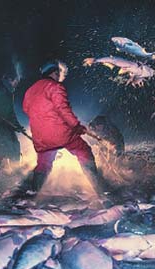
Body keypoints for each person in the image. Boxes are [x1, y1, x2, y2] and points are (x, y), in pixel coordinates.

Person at [21, 60, 107, 194]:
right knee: (84, 151)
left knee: (43, 164)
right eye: (57, 73)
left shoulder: (30, 90)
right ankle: (100, 189)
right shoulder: (55, 87)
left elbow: (26, 109)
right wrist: (77, 126)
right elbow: (63, 110)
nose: (59, 76)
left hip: (40, 136)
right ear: (54, 73)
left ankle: (33, 192)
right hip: (61, 133)